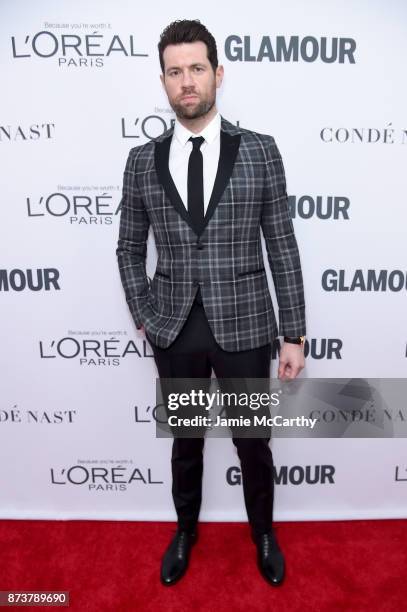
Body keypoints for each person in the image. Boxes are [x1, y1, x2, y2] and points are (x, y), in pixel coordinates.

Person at [116, 19, 306, 587]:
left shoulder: (260, 152)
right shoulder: (140, 162)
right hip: (173, 327)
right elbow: (128, 247)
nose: (187, 82)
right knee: (186, 444)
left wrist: (293, 332)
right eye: (175, 72)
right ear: (164, 82)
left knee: (254, 445)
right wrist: (145, 315)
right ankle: (184, 531)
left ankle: (264, 533)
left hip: (246, 324)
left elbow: (282, 244)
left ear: (218, 74)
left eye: (196, 68)